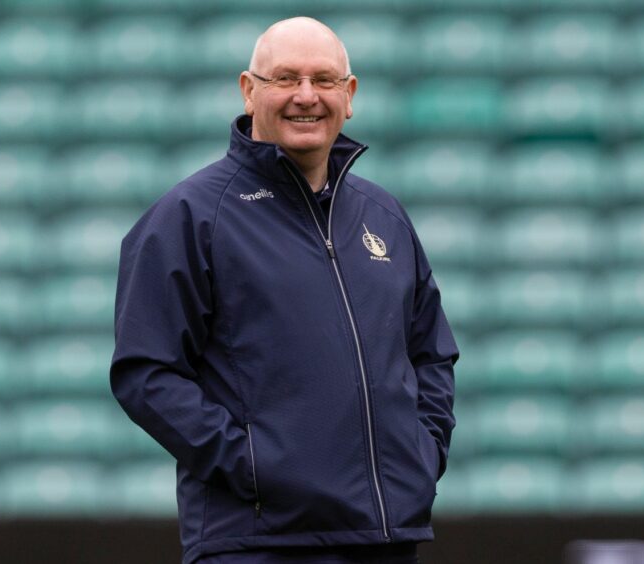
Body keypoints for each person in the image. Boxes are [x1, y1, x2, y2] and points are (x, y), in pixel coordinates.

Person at [110, 17, 459, 564]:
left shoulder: (383, 216)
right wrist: (252, 463)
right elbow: (145, 372)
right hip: (257, 543)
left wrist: (422, 455)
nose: (305, 97)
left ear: (350, 95)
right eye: (284, 79)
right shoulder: (190, 216)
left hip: (385, 539)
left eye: (323, 80)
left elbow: (431, 353)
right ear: (249, 91)